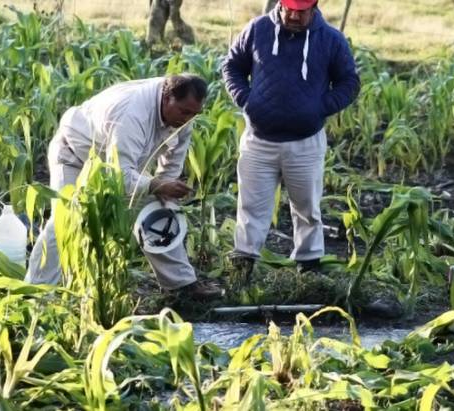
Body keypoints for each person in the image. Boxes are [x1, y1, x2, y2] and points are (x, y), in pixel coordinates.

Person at [25, 74, 223, 299]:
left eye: (194, 114)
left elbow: (170, 166)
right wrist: (157, 184)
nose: (188, 119)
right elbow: (119, 175)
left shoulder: (183, 116)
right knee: (65, 218)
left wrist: (166, 193)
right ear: (167, 98)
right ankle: (36, 293)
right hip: (74, 157)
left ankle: (181, 285)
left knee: (158, 209)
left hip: (119, 161)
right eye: (185, 112)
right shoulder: (133, 114)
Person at [222, 0, 360, 277]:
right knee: (250, 207)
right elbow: (232, 66)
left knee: (307, 207)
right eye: (290, 10)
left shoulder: (331, 40)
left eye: (302, 11)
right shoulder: (257, 29)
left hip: (305, 143)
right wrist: (247, 100)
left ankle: (308, 269)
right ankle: (243, 270)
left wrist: (319, 108)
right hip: (258, 141)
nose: (295, 16)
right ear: (281, 5)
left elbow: (349, 82)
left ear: (314, 7)